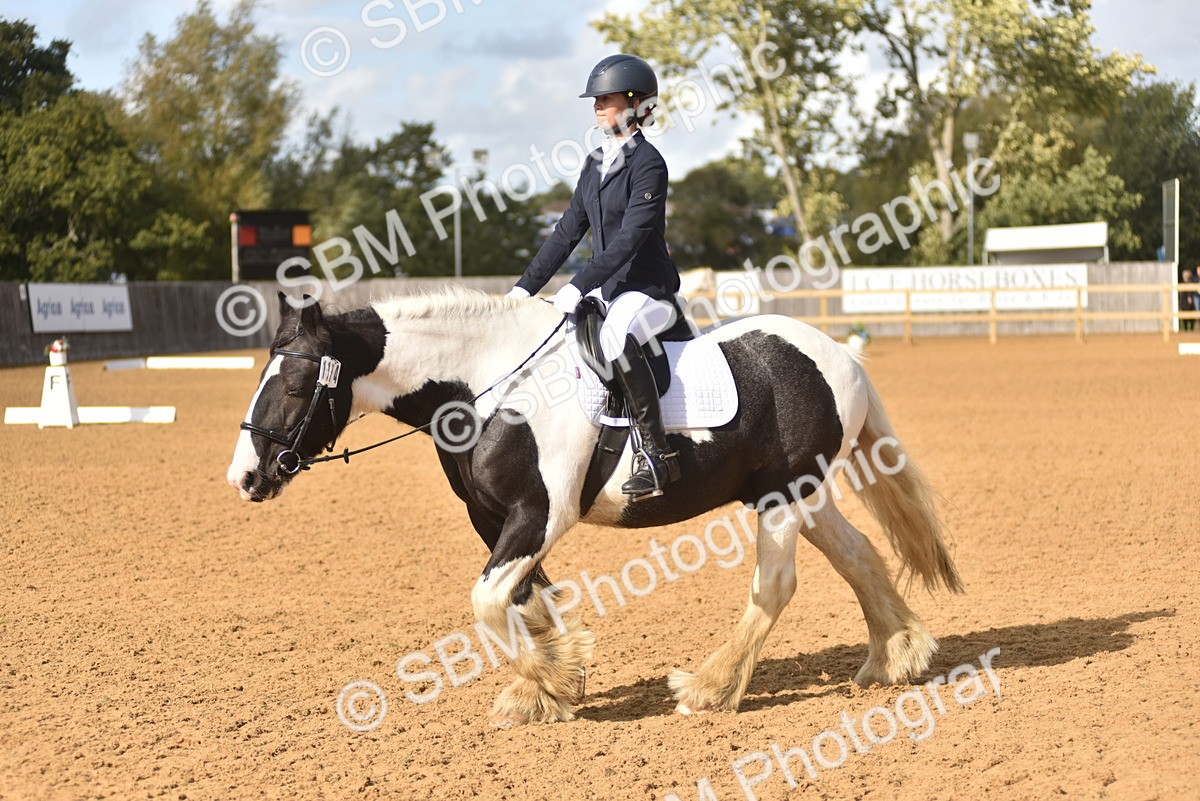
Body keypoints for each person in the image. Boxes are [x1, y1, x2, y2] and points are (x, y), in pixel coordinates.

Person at [505, 54, 682, 501]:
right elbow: (566, 233)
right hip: (608, 289)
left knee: (616, 338)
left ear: (637, 104)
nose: (598, 107)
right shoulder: (595, 163)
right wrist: (523, 289)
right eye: (596, 100)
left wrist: (577, 285)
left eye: (607, 99)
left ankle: (657, 456)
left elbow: (631, 238)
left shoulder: (649, 164)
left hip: (647, 289)